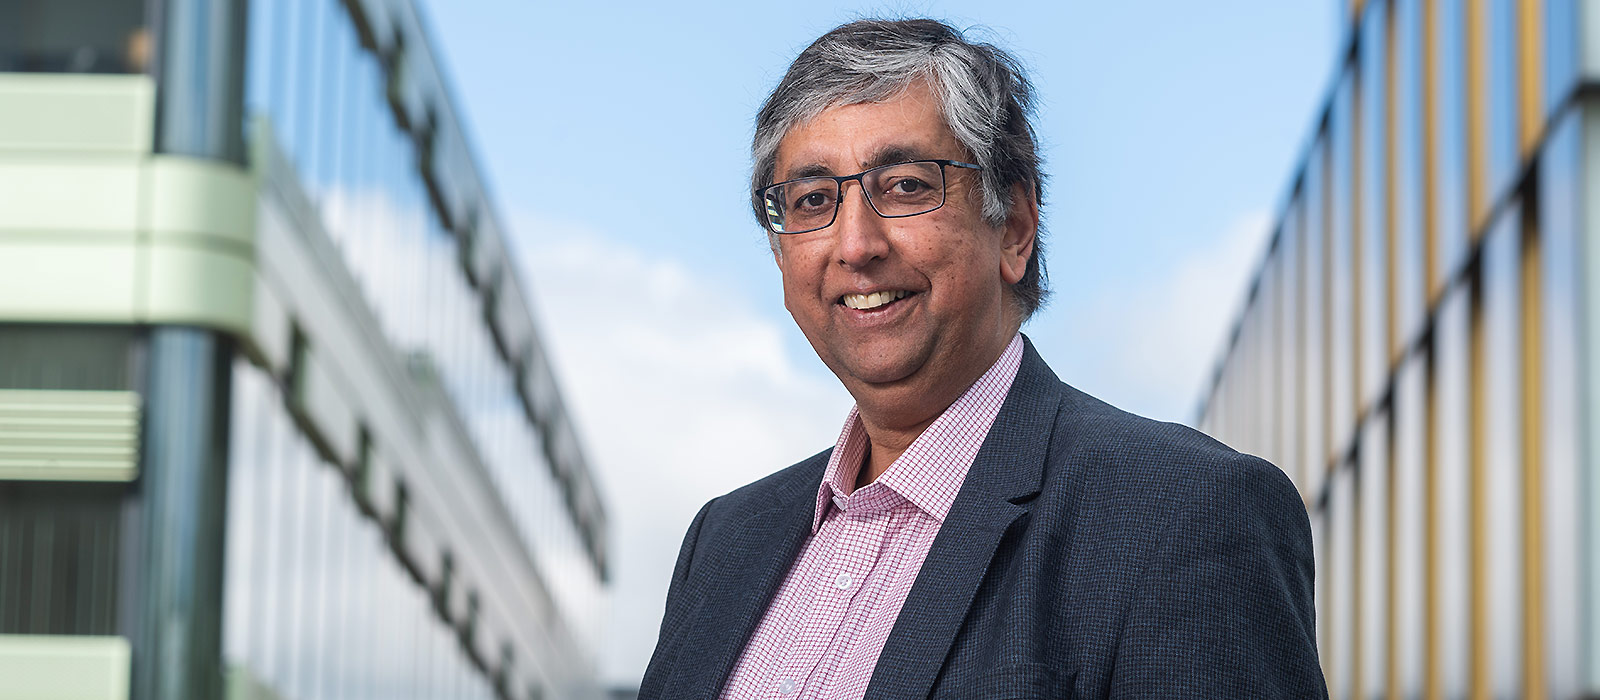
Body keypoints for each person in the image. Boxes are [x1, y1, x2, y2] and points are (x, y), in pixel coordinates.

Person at [641, 18, 1326, 700]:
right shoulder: (724, 541)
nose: (855, 245)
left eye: (906, 185)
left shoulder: (1184, 515)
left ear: (1016, 228)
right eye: (813, 200)